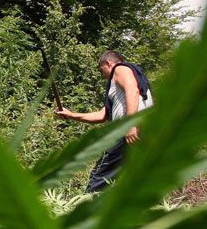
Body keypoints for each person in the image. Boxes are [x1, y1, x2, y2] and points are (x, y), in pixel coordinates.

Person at [56, 50, 153, 192]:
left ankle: (85, 209)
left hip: (128, 130)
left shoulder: (120, 69)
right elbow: (102, 116)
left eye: (101, 70)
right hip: (143, 130)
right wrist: (71, 115)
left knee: (100, 177)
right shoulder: (125, 79)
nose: (102, 75)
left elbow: (132, 90)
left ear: (108, 63)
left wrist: (131, 124)